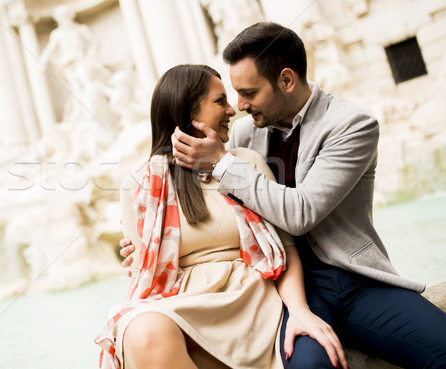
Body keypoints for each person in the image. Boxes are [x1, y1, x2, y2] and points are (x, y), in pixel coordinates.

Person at [121, 22, 446, 368]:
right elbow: (210, 196)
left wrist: (221, 161)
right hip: (278, 286)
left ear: (286, 81)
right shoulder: (246, 133)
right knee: (309, 365)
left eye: (248, 92)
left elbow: (300, 212)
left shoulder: (351, 125)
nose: (239, 106)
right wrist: (148, 241)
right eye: (233, 95)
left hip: (349, 280)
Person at [97, 64, 348, 369]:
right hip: (183, 304)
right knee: (143, 331)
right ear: (188, 112)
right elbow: (143, 275)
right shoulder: (138, 185)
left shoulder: (245, 162)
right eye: (220, 101)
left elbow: (286, 248)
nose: (232, 110)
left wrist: (300, 311)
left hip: (253, 299)